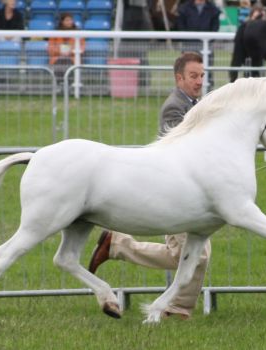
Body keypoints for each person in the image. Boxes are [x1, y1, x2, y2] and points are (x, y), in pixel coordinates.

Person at [88, 52, 210, 320]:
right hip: (175, 191)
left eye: (202, 75)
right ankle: (119, 246)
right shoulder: (174, 107)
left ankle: (178, 307)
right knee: (190, 255)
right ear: (179, 78)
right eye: (193, 76)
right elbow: (181, 147)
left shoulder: (196, 103)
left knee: (196, 254)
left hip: (192, 190)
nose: (199, 80)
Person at [175, 0, 220, 87]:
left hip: (206, 46)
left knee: (207, 71)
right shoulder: (184, 8)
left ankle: (208, 92)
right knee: (186, 70)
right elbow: (180, 26)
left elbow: (215, 27)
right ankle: (185, 92)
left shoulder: (213, 9)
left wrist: (207, 40)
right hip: (188, 46)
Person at [48, 13, 86, 83]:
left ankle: (69, 84)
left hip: (73, 58)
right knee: (61, 62)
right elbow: (50, 49)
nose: (70, 22)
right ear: (62, 22)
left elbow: (82, 48)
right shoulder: (55, 34)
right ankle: (60, 84)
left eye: (71, 20)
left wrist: (70, 52)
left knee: (68, 62)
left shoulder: (79, 33)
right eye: (67, 20)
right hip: (57, 58)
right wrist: (61, 52)